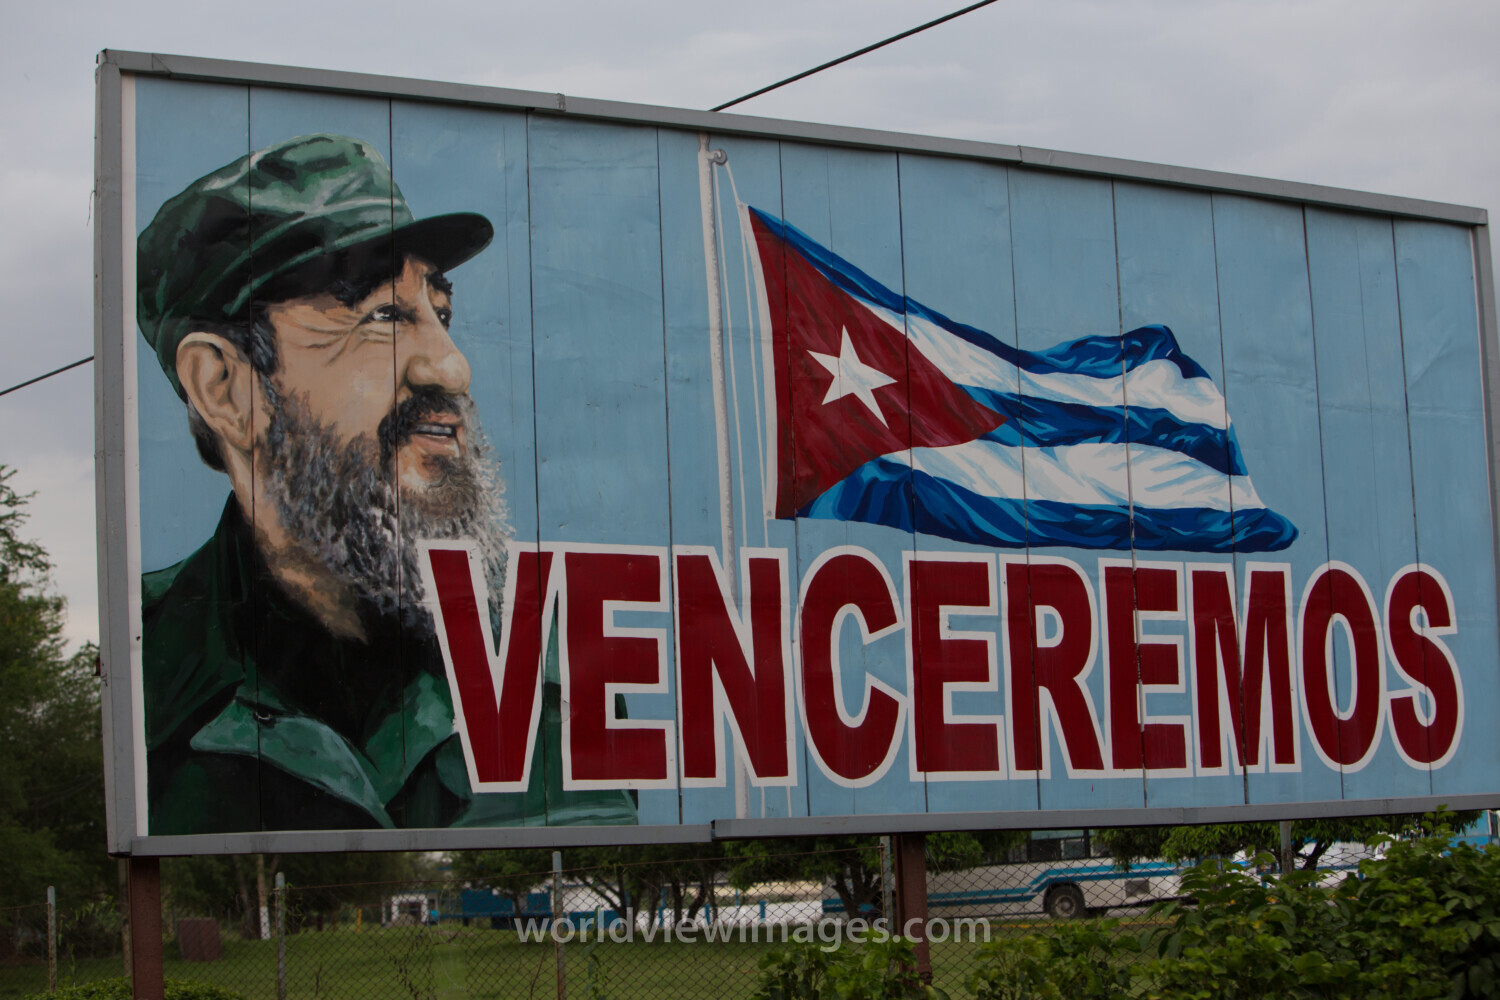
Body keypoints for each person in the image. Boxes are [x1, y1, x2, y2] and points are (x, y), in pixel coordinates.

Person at [137, 134, 635, 834]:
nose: (451, 367)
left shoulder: (553, 658)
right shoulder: (139, 673)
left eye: (440, 313)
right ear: (224, 387)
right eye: (383, 317)